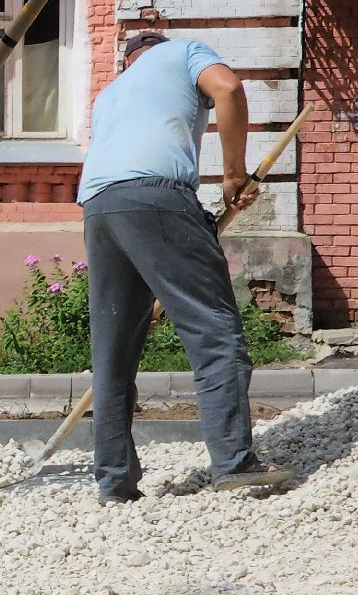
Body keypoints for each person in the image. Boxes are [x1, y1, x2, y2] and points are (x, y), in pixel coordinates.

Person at [79, 31, 294, 503]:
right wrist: (234, 174)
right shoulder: (183, 51)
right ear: (158, 48)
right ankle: (235, 463)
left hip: (98, 204)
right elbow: (229, 89)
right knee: (214, 333)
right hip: (157, 197)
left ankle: (114, 482)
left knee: (113, 352)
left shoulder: (111, 92)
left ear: (127, 60)